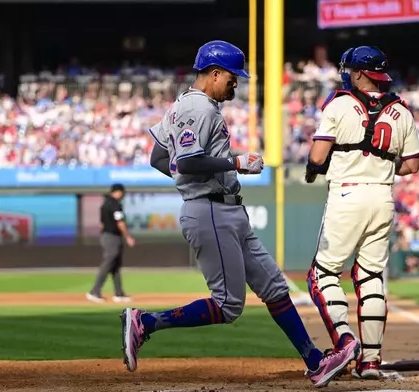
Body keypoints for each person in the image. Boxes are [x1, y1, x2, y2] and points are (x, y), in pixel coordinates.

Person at [119, 40, 359, 388]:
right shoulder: (199, 108)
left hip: (224, 209)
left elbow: (160, 159)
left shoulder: (180, 106)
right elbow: (185, 161)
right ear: (214, 74)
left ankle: (315, 362)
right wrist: (233, 163)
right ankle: (145, 322)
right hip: (211, 210)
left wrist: (192, 175)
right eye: (232, 78)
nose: (236, 84)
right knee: (229, 305)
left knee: (275, 287)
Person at [304, 46, 419, 380]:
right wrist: (379, 162)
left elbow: (317, 155)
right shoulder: (401, 110)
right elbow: (412, 164)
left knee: (322, 274)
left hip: (347, 193)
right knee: (370, 277)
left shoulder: (339, 103)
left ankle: (345, 342)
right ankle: (370, 361)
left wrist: (317, 167)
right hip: (382, 197)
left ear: (358, 73)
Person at [86, 183, 136, 303]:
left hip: (107, 235)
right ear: (118, 192)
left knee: (115, 264)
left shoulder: (105, 204)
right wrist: (128, 237)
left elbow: (101, 223)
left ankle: (119, 293)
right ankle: (95, 291)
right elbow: (120, 222)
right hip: (112, 236)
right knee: (109, 261)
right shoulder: (114, 204)